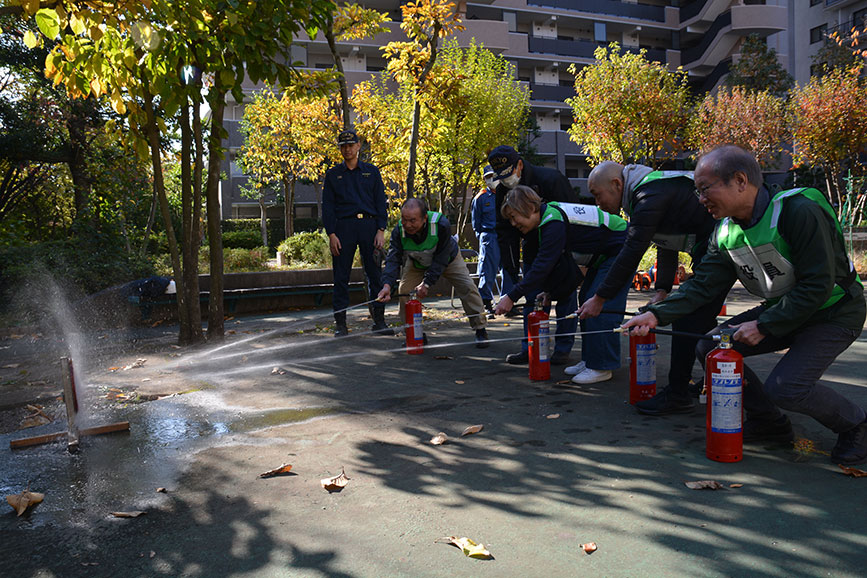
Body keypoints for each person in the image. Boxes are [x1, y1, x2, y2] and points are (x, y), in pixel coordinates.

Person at [623, 145, 867, 465]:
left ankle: (856, 425)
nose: (700, 199)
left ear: (740, 181)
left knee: (787, 388)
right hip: (787, 308)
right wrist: (656, 314)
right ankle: (769, 422)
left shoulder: (798, 211)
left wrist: (764, 325)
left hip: (835, 311)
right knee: (711, 346)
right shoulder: (724, 232)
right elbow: (702, 285)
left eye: (705, 188)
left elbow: (817, 285)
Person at [578, 160, 725, 415]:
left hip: (722, 246)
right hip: (712, 246)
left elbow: (632, 250)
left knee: (688, 316)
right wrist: (662, 290)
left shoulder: (648, 196)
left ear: (616, 184)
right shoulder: (652, 190)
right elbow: (668, 242)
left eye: (597, 194)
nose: (597, 202)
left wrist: (600, 298)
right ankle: (711, 381)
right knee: (699, 319)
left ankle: (679, 394)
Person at [493, 186, 630, 383]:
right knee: (585, 302)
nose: (514, 223)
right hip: (603, 257)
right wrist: (550, 291)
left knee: (601, 305)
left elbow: (543, 265)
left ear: (530, 208)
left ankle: (602, 366)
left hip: (621, 250)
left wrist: (511, 296)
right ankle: (591, 358)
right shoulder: (547, 222)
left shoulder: (552, 221)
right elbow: (559, 265)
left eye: (515, 217)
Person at [488, 145, 580, 365]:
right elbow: (505, 233)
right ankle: (531, 347)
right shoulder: (502, 190)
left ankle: (563, 348)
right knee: (532, 299)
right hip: (532, 247)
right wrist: (511, 270)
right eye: (501, 177)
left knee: (566, 296)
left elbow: (572, 215)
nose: (506, 180)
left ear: (519, 164)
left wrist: (574, 258)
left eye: (509, 174)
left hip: (563, 247)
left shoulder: (551, 179)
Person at [377, 198, 489, 348]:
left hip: (448, 260)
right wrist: (387, 285)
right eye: (404, 219)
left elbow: (441, 260)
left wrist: (427, 283)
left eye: (412, 220)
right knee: (404, 292)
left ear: (424, 218)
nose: (407, 224)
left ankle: (480, 328)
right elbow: (393, 259)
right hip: (417, 261)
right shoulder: (399, 230)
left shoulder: (441, 225)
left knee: (467, 287)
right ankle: (414, 334)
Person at [322, 128, 392, 337]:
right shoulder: (333, 175)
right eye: (343, 146)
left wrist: (381, 230)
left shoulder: (371, 172)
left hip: (370, 228)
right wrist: (331, 234)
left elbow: (381, 202)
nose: (347, 149)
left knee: (375, 275)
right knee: (341, 277)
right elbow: (328, 207)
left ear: (358, 146)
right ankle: (341, 325)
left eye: (351, 145)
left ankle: (379, 321)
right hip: (344, 229)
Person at [471, 165, 510, 318]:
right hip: (489, 236)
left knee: (508, 269)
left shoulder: (506, 194)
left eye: (493, 176)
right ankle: (486, 303)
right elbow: (476, 224)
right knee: (487, 270)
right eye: (488, 177)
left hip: (504, 236)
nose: (491, 180)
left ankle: (506, 302)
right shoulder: (479, 198)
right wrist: (484, 239)